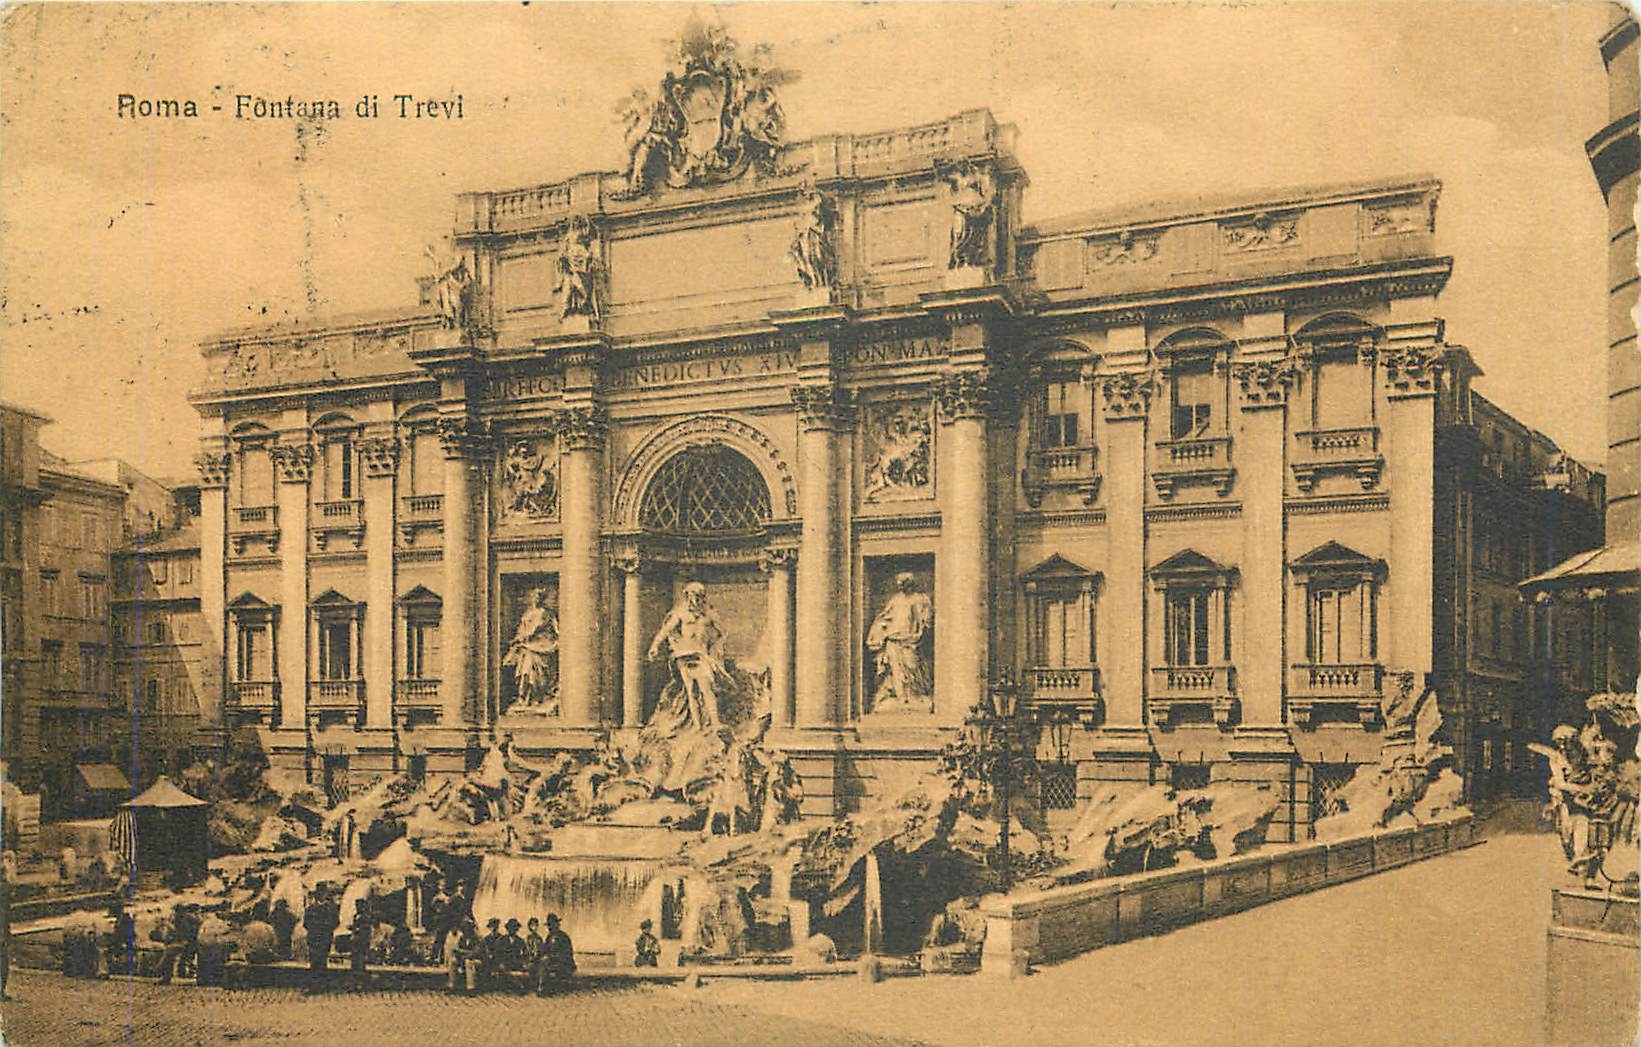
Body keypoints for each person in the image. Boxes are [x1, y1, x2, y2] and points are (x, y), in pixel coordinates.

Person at [646, 581, 730, 731]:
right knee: (691, 692)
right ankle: (698, 726)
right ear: (687, 596)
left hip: (701, 655)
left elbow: (723, 633)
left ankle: (715, 722)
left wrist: (717, 648)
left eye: (698, 596)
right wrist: (655, 646)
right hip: (684, 655)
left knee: (706, 689)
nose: (695, 600)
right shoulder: (681, 614)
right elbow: (665, 630)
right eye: (692, 596)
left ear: (703, 597)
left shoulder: (710, 614)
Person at [866, 572, 935, 712]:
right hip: (894, 640)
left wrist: (920, 630)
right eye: (899, 583)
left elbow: (927, 620)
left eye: (903, 583)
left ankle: (916, 696)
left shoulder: (921, 599)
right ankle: (901, 698)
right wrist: (879, 633)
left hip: (912, 640)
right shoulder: (895, 599)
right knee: (896, 671)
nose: (901, 586)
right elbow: (885, 617)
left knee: (913, 666)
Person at [157, 904, 200, 985]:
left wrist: (168, 925)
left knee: (168, 954)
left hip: (186, 944)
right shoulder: (186, 918)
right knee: (169, 953)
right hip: (186, 943)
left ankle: (163, 974)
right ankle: (164, 974)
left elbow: (181, 933)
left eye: (174, 911)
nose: (173, 913)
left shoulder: (183, 920)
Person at [303, 889, 340, 982]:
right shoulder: (310, 908)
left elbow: (336, 922)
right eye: (318, 894)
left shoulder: (331, 908)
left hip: (325, 937)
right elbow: (305, 923)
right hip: (313, 937)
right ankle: (314, 983)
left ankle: (322, 983)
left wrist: (326, 929)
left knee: (322, 960)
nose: (320, 896)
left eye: (322, 893)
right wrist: (313, 929)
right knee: (313, 960)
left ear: (325, 894)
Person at [536, 913, 575, 995]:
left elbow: (567, 954)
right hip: (552, 962)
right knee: (541, 963)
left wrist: (551, 957)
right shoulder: (549, 937)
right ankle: (540, 986)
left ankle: (542, 988)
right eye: (549, 926)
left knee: (545, 963)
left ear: (557, 924)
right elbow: (545, 950)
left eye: (552, 925)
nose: (550, 927)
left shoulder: (564, 937)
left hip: (564, 963)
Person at [104, 899, 136, 979]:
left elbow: (129, 934)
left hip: (125, 943)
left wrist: (123, 942)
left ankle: (104, 971)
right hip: (120, 942)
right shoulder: (120, 919)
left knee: (103, 951)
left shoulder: (126, 920)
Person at [349, 899, 373, 978]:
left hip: (362, 938)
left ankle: (360, 971)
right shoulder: (356, 915)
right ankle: (355, 970)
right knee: (355, 955)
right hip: (356, 938)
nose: (358, 907)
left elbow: (367, 927)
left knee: (360, 955)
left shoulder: (366, 916)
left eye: (359, 906)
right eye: (357, 906)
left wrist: (357, 929)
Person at [478, 917, 504, 990]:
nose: (493, 928)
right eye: (491, 927)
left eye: (495, 926)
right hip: (488, 959)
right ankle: (486, 984)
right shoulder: (486, 939)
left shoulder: (502, 938)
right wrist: (488, 954)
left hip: (498, 958)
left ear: (497, 927)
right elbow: (482, 950)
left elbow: (503, 950)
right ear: (489, 928)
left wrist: (495, 955)